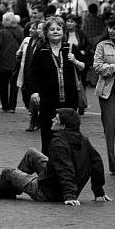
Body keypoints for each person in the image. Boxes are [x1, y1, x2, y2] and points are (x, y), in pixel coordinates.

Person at [0, 108, 111, 205]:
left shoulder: (58, 143)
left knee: (8, 172)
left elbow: (65, 169)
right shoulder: (83, 139)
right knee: (31, 154)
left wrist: (70, 195)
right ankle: (5, 185)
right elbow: (97, 163)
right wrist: (98, 191)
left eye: (56, 119)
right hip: (56, 183)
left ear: (63, 126)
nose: (52, 120)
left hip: (48, 192)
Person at [30, 17, 86, 157]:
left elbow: (84, 66)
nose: (55, 32)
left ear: (63, 31)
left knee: (70, 137)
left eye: (58, 29)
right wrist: (34, 92)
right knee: (48, 137)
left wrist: (75, 60)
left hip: (69, 101)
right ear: (46, 33)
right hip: (48, 102)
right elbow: (32, 73)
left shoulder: (70, 48)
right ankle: (48, 165)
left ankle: (69, 165)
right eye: (52, 29)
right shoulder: (41, 50)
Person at [93, 13, 115, 176]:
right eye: (109, 27)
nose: (111, 31)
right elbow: (97, 66)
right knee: (110, 127)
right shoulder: (102, 45)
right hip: (107, 90)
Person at [0, 12, 23, 113]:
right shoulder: (20, 31)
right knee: (14, 85)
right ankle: (12, 106)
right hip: (16, 61)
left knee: (4, 85)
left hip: (3, 61)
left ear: (5, 21)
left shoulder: (1, 32)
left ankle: (5, 105)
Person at [16, 19, 43, 131]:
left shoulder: (42, 43)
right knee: (26, 98)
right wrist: (19, 54)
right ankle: (34, 116)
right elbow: (18, 52)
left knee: (35, 98)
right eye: (31, 28)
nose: (31, 30)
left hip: (36, 74)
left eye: (34, 28)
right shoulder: (27, 40)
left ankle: (34, 120)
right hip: (25, 72)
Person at [64, 13, 92, 114]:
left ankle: (81, 103)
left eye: (71, 21)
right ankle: (72, 104)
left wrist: (83, 51)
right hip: (67, 61)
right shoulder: (63, 34)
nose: (69, 23)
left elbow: (88, 45)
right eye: (68, 21)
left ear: (76, 23)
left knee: (81, 82)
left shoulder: (81, 34)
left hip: (79, 61)